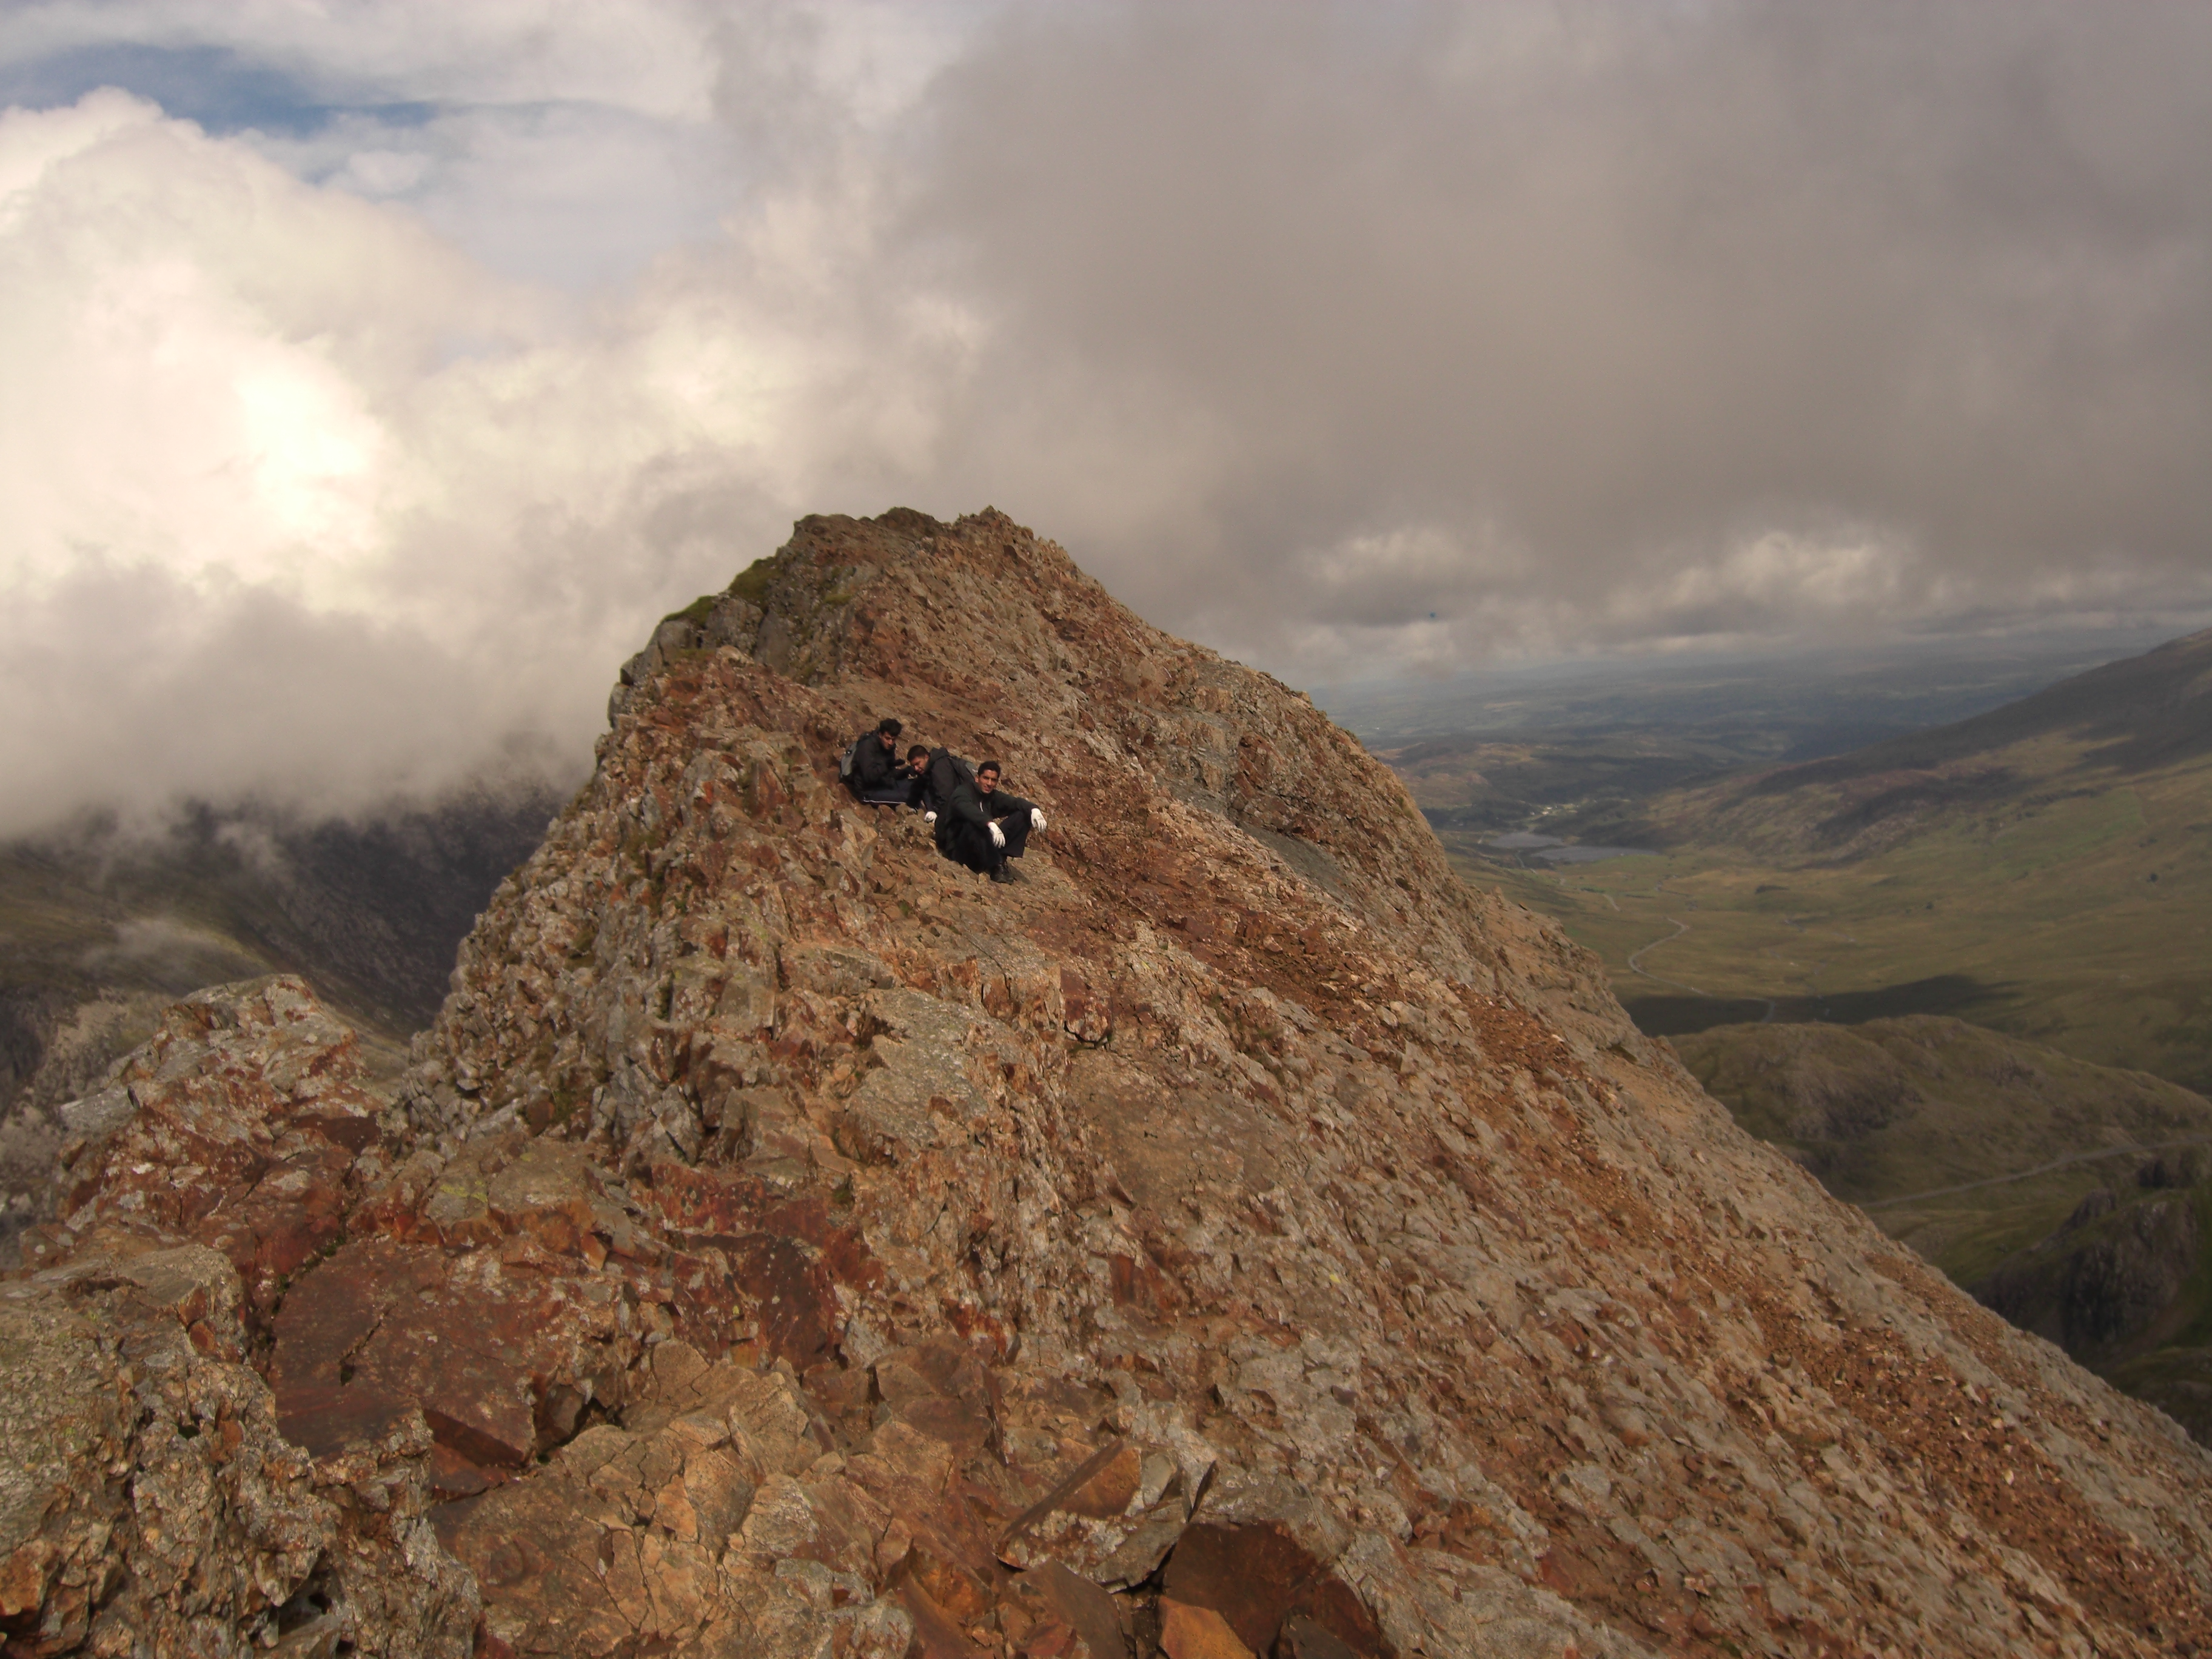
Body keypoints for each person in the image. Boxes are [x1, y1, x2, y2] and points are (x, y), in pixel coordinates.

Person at [933, 757, 1047, 883]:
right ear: (977, 778)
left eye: (993, 780)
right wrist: (990, 824)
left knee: (1023, 815)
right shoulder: (963, 792)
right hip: (962, 848)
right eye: (986, 778)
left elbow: (1014, 802)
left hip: (982, 844)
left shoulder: (991, 796)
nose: (989, 783)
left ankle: (1000, 858)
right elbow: (966, 808)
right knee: (972, 823)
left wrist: (1034, 810)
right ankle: (995, 865)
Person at [845, 718, 919, 806]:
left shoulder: (888, 747)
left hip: (884, 785)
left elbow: (889, 774)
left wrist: (905, 772)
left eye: (893, 739)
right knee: (910, 798)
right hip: (867, 791)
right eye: (887, 738)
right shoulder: (867, 747)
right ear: (880, 735)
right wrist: (886, 765)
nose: (890, 742)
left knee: (917, 785)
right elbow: (869, 776)